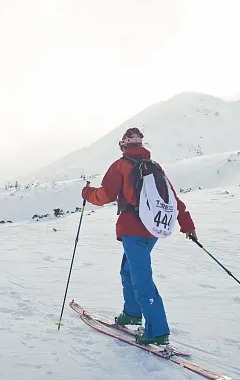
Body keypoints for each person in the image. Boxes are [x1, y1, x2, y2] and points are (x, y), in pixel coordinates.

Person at [81, 127, 197, 346]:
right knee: (128, 270)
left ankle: (157, 330)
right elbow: (172, 198)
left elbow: (105, 195)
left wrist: (87, 194)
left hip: (132, 229)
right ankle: (133, 313)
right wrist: (187, 224)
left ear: (124, 146)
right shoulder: (154, 167)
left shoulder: (121, 165)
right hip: (153, 228)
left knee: (140, 276)